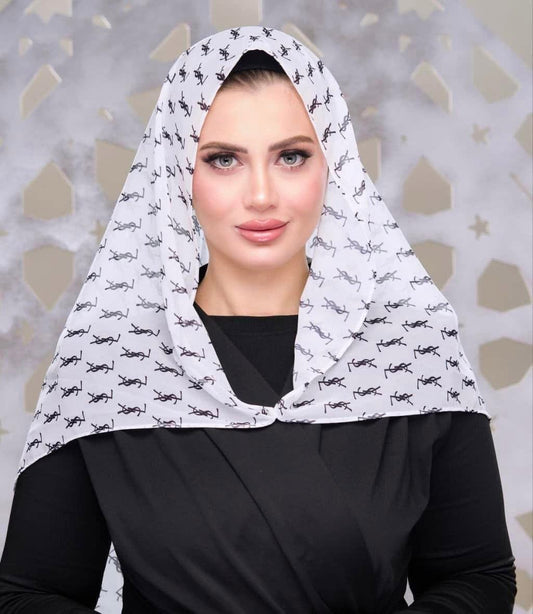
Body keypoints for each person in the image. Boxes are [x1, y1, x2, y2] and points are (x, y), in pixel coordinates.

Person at [0, 26, 516, 613]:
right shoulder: (109, 364)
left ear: (334, 165)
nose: (262, 194)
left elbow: (478, 578)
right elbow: (27, 595)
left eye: (291, 156)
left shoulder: (415, 351)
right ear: (178, 174)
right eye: (224, 160)